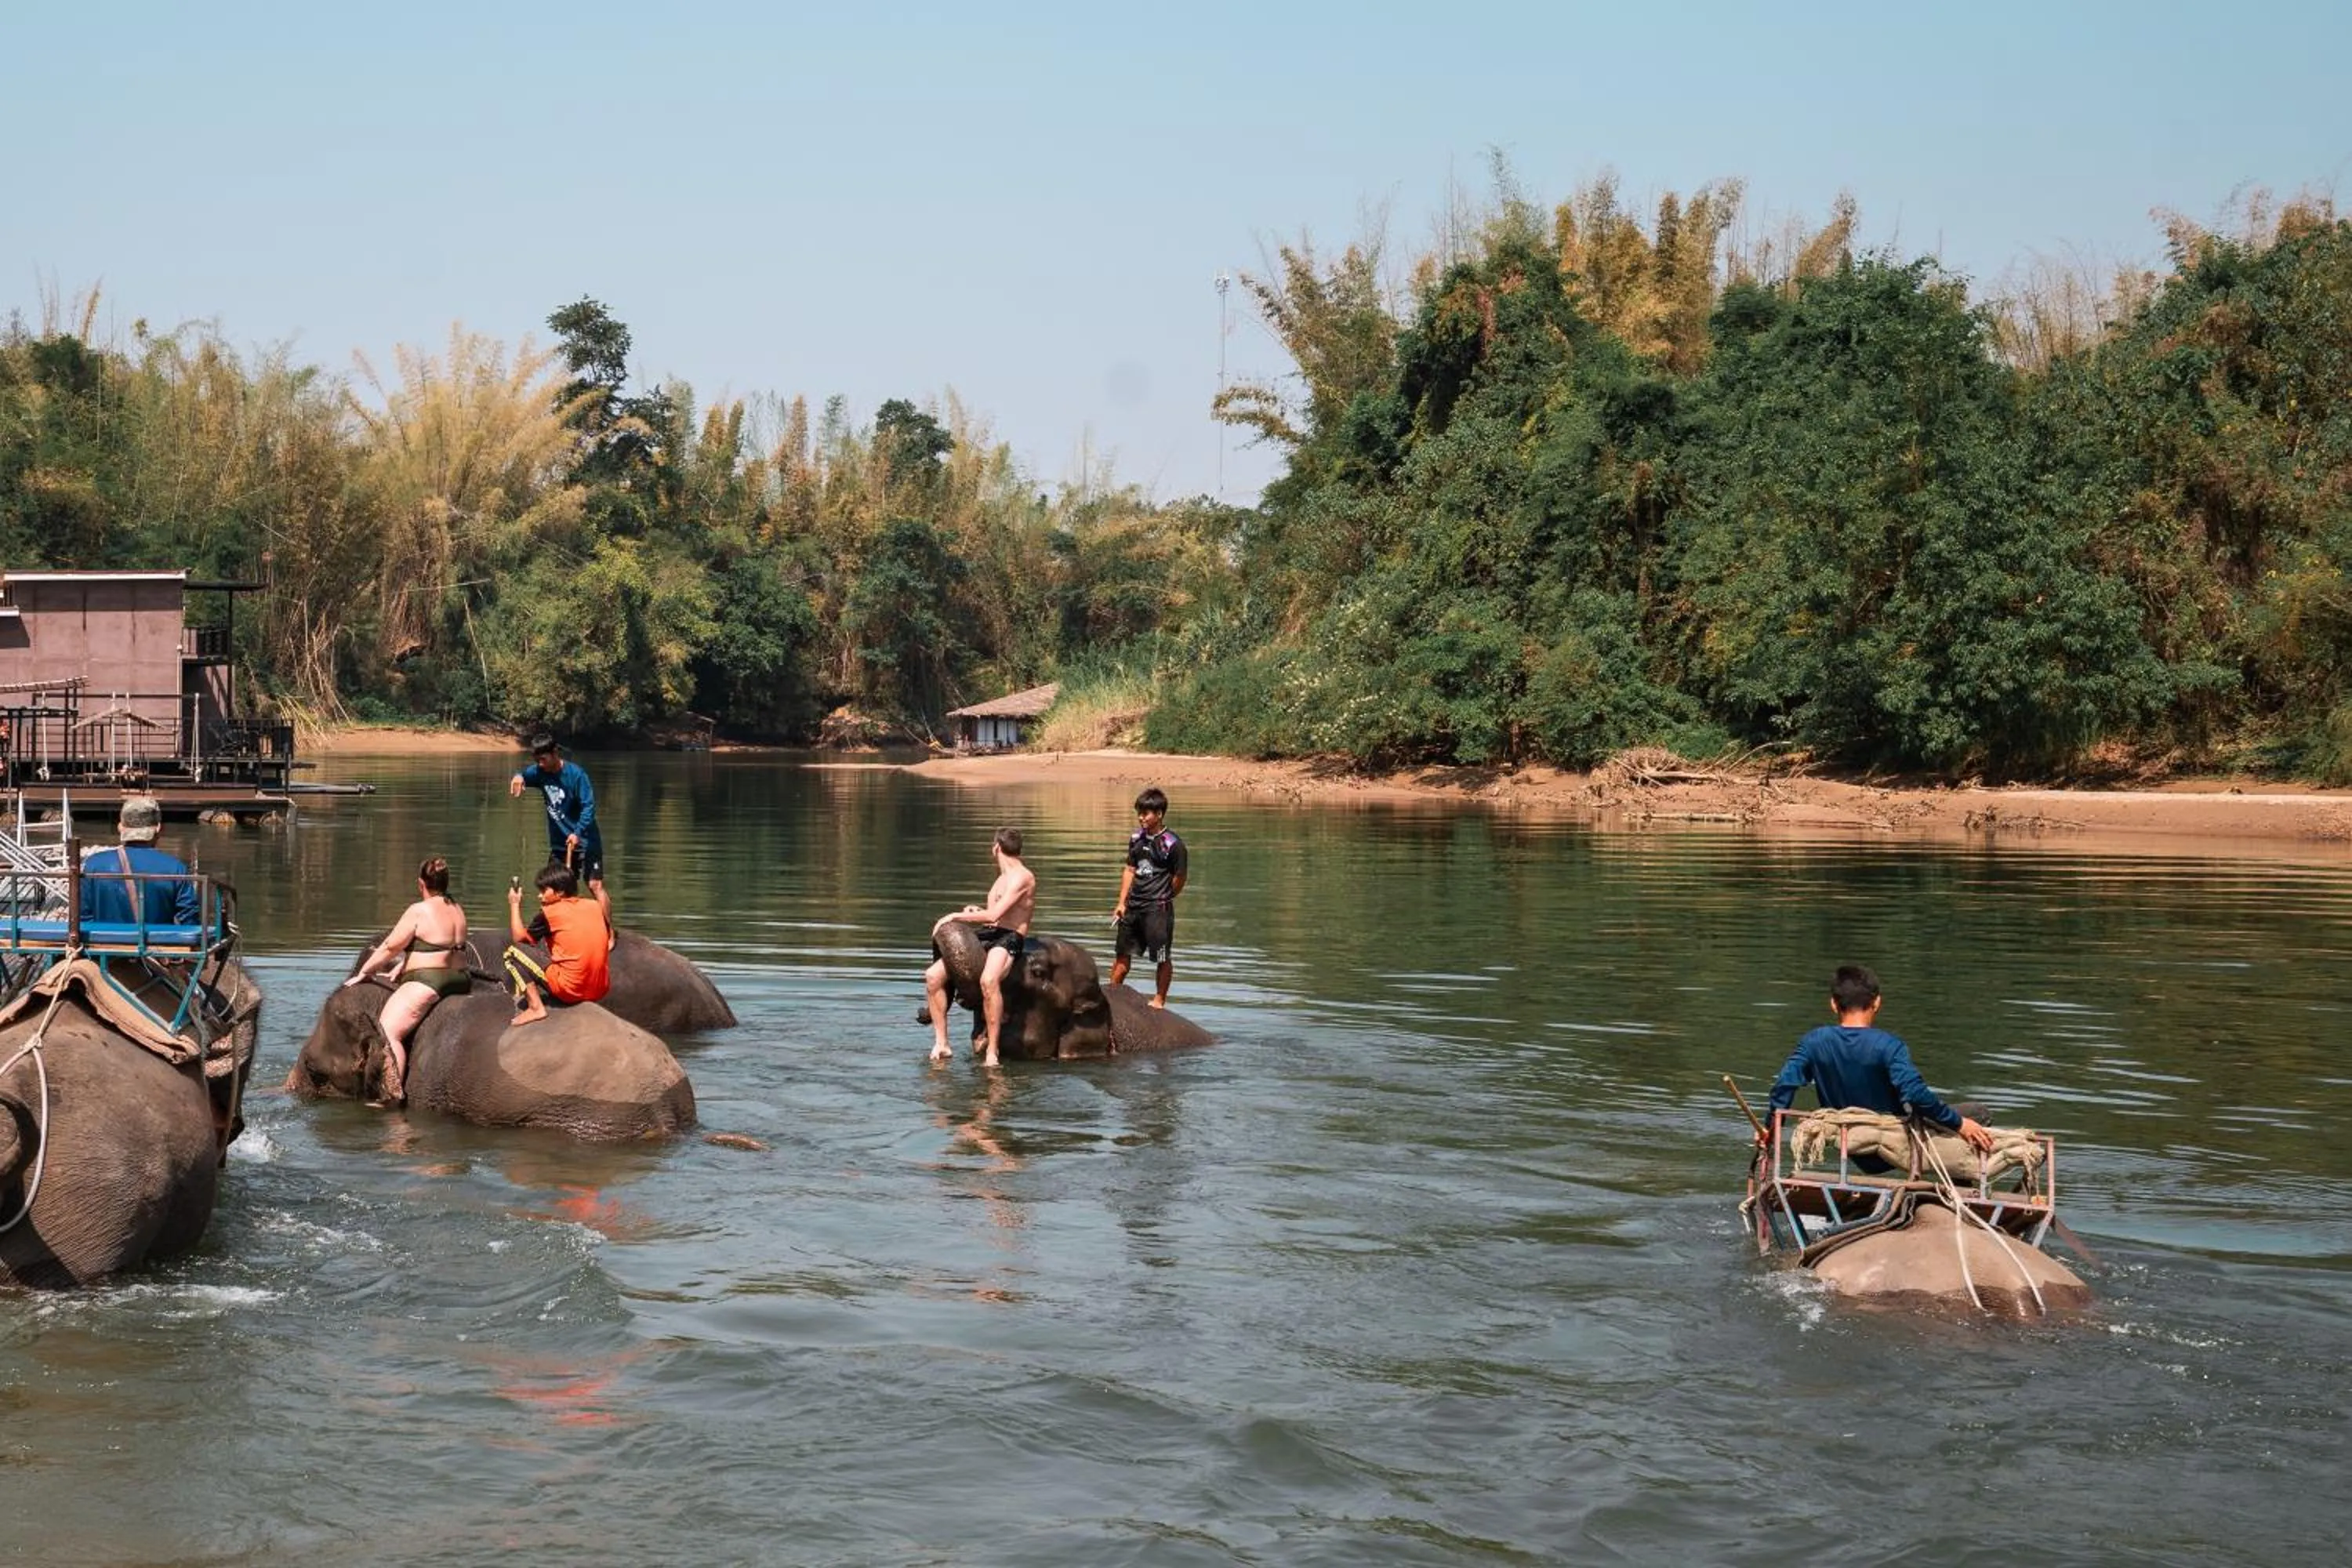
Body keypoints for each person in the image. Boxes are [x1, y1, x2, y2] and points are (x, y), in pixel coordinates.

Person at [1765, 964, 1996, 1168]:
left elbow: (1784, 1085)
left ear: (1834, 1004)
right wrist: (1959, 1124)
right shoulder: (1889, 1046)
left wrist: (1771, 1130)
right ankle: (1961, 1190)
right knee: (1978, 1113)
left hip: (1850, 1144)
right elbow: (1916, 1094)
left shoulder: (1814, 1042)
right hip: (1891, 1143)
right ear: (1877, 1002)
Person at [341, 857, 470, 1107]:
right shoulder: (456, 907)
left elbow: (391, 946)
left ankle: (392, 1095)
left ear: (421, 883)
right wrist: (405, 964)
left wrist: (365, 971)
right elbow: (441, 945)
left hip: (430, 981)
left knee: (389, 1031)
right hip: (461, 977)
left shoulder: (419, 910)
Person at [924, 827, 1036, 1069]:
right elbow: (994, 917)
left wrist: (955, 916)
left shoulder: (1022, 877)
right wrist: (976, 912)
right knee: (933, 976)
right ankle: (942, 1043)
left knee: (988, 980)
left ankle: (992, 1052)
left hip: (1009, 938)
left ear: (996, 848)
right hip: (990, 933)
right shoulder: (1001, 878)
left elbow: (996, 915)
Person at [503, 862, 612, 1026]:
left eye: (544, 891)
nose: (540, 896)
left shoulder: (549, 913)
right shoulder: (595, 906)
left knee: (512, 952)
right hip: (600, 989)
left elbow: (520, 939)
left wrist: (514, 904)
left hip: (571, 990)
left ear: (560, 891)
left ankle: (535, 1007)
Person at [1109, 786, 1187, 1008]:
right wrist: (1121, 903)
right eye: (1139, 813)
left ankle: (1159, 999)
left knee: (1162, 957)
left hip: (1158, 910)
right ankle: (1112, 995)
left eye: (1146, 813)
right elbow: (1130, 869)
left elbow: (1180, 878)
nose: (1141, 818)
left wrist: (1165, 896)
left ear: (1159, 814)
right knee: (1122, 954)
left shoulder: (1173, 844)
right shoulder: (1136, 839)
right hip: (1133, 907)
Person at [79, 795, 201, 931]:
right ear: (158, 828)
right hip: (156, 943)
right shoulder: (176, 869)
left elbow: (84, 917)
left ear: (120, 827)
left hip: (103, 943)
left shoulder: (93, 865)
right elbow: (190, 923)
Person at [508, 734, 604, 886]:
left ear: (555, 753)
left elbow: (588, 807)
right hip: (560, 845)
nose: (540, 764)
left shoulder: (576, 775)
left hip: (585, 841)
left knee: (594, 885)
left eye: (543, 759)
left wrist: (577, 833)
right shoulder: (540, 772)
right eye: (537, 760)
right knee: (553, 887)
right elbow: (524, 774)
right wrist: (518, 776)